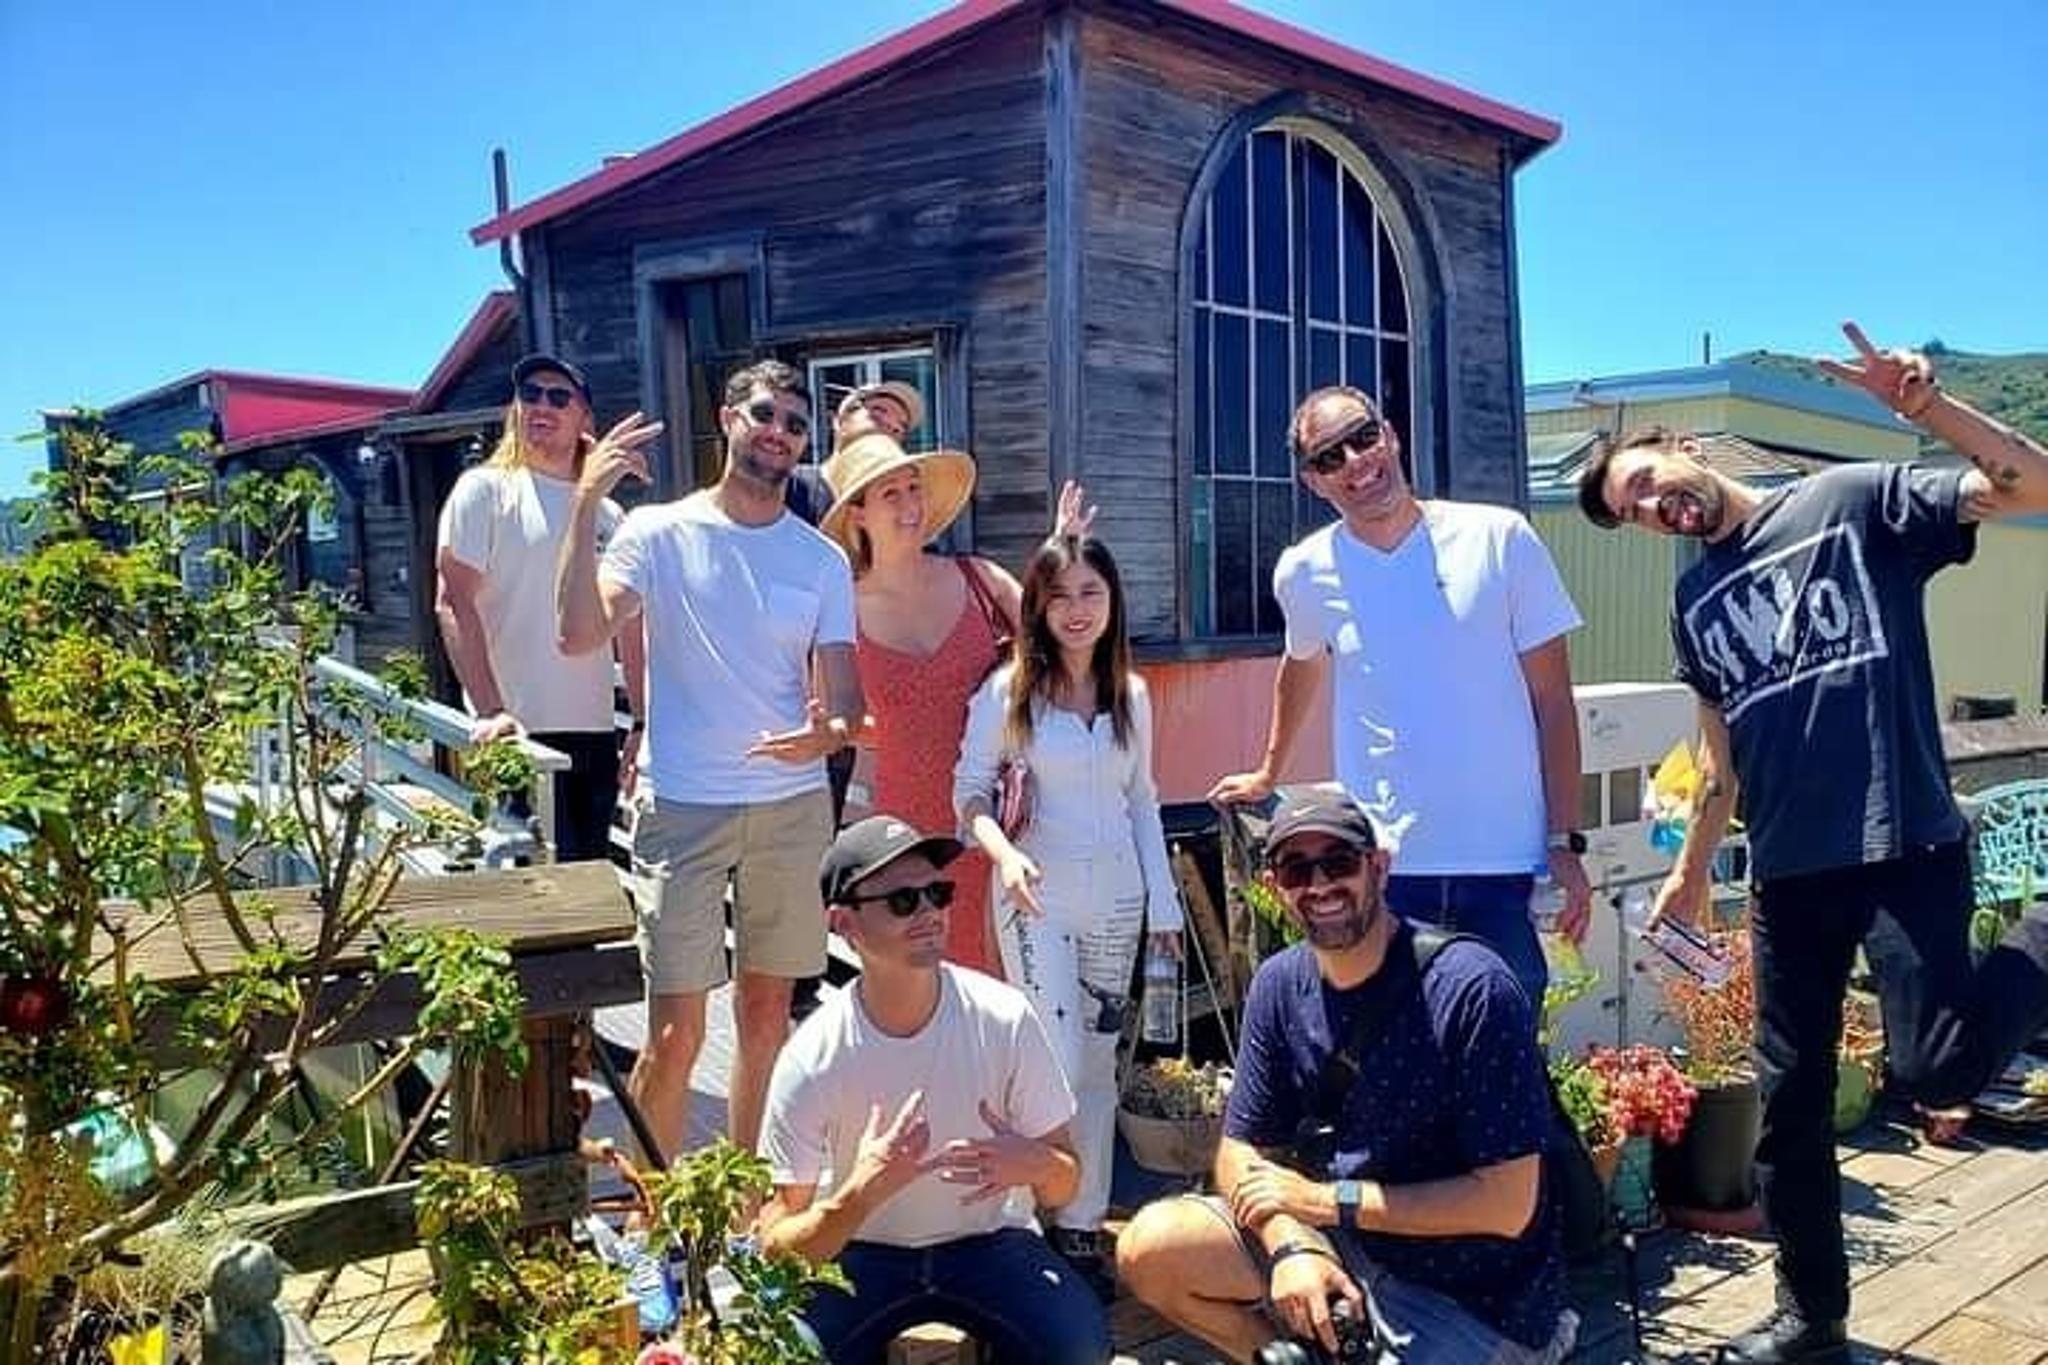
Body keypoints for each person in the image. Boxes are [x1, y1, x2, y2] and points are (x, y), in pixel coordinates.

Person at [1578, 321, 2048, 1365]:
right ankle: (1810, 1319)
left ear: (1676, 444)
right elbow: (1714, 758)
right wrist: (1692, 879)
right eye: (1634, 511)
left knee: (1934, 1077)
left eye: (1648, 480)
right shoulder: (1692, 598)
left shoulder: (1848, 502)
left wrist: (1924, 410)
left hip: (1902, 845)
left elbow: (2029, 489)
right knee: (1785, 1110)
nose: (1655, 508)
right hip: (1789, 875)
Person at [1116, 793, 1573, 1364]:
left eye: (1339, 862)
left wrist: (1331, 1201)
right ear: (1275, 884)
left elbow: (1507, 1204)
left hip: (1469, 1295)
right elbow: (1239, 1153)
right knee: (1152, 1247)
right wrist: (1291, 1245)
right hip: (1337, 1241)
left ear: (1378, 868)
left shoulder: (1472, 989)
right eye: (1297, 868)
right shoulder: (1279, 985)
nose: (1320, 885)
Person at [556, 358, 863, 1159]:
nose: (779, 433)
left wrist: (826, 733)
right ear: (728, 417)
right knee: (676, 1028)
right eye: (765, 413)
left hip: (792, 806)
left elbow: (845, 702)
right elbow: (578, 635)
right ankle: (656, 1213)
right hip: (682, 802)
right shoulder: (657, 531)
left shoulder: (821, 561)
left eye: (796, 424)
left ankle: (739, 1191)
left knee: (766, 1020)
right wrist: (586, 498)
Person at [1210, 385, 1591, 1014]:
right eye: (1331, 457)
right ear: (1313, 481)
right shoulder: (1303, 571)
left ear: (1390, 433)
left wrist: (1564, 843)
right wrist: (1268, 771)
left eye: (1363, 437)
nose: (1356, 463)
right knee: (1388, 1080)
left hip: (1505, 869)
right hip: (1383, 871)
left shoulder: (1500, 538)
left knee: (1502, 1089)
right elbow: (1300, 664)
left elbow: (1553, 700)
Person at [757, 815, 1110, 1365]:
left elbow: (1066, 1185)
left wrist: (1038, 1164)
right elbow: (776, 1245)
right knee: (787, 1356)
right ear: (843, 923)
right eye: (902, 900)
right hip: (861, 1255)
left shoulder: (1003, 1017)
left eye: (937, 893)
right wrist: (861, 1194)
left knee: (1080, 1349)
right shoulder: (812, 1055)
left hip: (991, 1246)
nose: (928, 912)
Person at [952, 534, 1182, 1284]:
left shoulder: (1132, 696)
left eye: (1091, 592)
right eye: (1061, 595)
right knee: (1046, 1057)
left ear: (1113, 601)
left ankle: (1082, 1221)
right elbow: (971, 793)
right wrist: (1004, 854)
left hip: (1118, 898)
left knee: (1098, 1064)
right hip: (1035, 895)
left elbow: (1142, 800)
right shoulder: (1009, 689)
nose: (1077, 610)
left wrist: (1166, 906)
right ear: (1038, 606)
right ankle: (1023, 1216)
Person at [818, 432, 1099, 977]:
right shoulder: (838, 608)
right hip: (906, 821)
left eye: (913, 489)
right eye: (890, 494)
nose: (910, 505)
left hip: (1005, 809)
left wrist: (1062, 557)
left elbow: (1057, 648)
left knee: (1017, 975)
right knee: (926, 979)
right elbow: (840, 721)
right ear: (857, 513)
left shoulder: (980, 579)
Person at [434, 354, 650, 861]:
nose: (540, 406)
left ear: (585, 420)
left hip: (595, 729)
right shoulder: (485, 489)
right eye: (529, 394)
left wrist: (641, 722)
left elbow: (631, 624)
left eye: (559, 397)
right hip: (518, 730)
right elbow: (451, 600)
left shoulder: (608, 511)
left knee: (585, 882)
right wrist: (491, 710)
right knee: (527, 886)